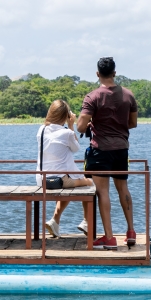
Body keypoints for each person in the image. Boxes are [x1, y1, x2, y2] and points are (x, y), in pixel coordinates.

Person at [76, 57, 138, 250]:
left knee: (103, 192)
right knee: (123, 189)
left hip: (100, 150)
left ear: (97, 74)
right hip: (121, 149)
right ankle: (131, 231)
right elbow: (133, 123)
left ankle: (109, 237)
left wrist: (95, 123)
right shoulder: (128, 96)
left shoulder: (92, 97)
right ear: (114, 73)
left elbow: (80, 126)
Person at [37, 100, 94, 238]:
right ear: (65, 116)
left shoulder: (41, 130)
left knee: (70, 184)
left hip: (42, 179)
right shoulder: (66, 133)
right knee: (90, 183)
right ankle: (86, 222)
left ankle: (55, 221)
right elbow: (76, 148)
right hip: (60, 180)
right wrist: (71, 125)